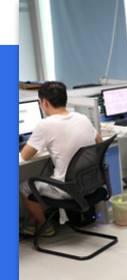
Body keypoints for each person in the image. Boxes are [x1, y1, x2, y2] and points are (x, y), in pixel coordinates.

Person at [19, 81, 103, 237]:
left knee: (24, 186)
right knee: (47, 178)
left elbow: (24, 155)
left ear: (44, 102)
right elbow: (99, 142)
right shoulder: (82, 118)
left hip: (67, 190)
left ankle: (44, 226)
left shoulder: (45, 125)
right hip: (91, 184)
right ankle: (32, 220)